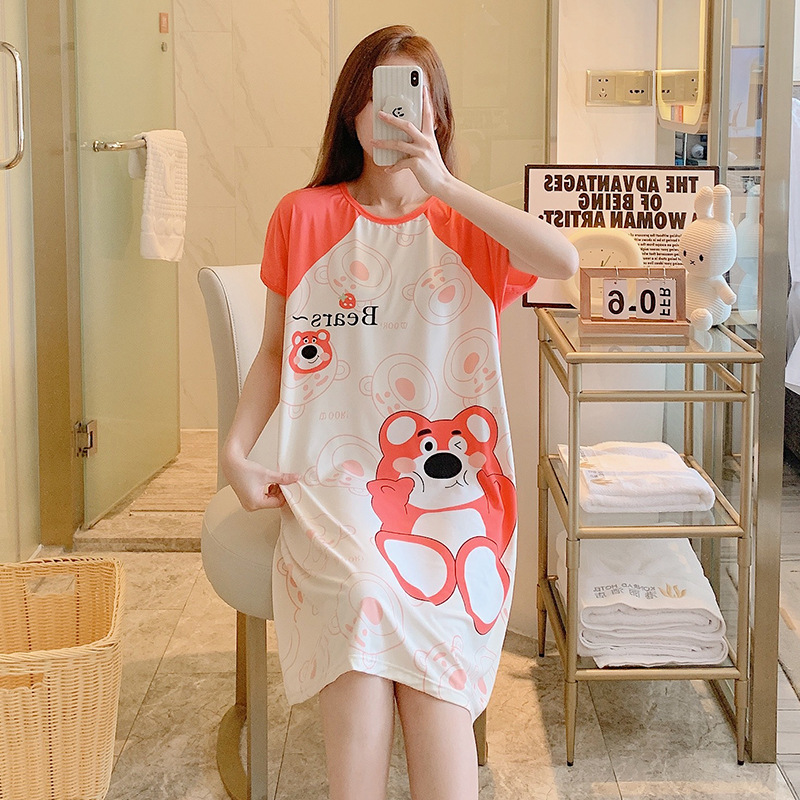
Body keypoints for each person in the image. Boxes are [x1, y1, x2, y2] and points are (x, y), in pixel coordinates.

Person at [222, 24, 578, 800]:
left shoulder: (468, 224)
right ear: (350, 111)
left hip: (457, 500)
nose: (393, 116)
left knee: (432, 643)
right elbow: (276, 351)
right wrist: (234, 454)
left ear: (436, 114)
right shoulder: (303, 216)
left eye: (412, 99)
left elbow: (565, 261)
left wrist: (444, 186)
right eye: (376, 98)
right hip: (336, 482)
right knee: (363, 596)